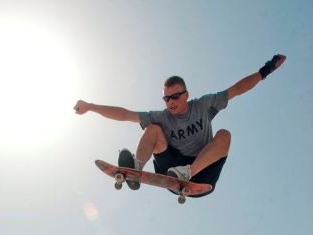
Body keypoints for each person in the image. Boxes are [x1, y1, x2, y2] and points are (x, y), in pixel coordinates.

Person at [74, 54, 286, 197]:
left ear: (186, 95)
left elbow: (237, 89)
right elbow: (125, 114)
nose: (171, 102)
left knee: (224, 134)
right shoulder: (162, 116)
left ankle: (187, 172)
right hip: (172, 169)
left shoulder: (204, 105)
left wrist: (266, 70)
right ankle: (136, 169)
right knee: (153, 128)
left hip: (201, 172)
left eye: (175, 96)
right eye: (167, 99)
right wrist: (91, 106)